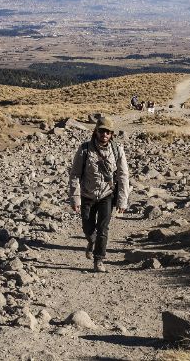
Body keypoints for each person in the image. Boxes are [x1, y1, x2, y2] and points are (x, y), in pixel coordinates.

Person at [68, 116, 130, 272]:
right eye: (102, 131)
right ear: (96, 131)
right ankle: (91, 241)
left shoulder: (117, 150)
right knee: (88, 229)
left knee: (103, 229)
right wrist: (75, 198)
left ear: (112, 134)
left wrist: (122, 201)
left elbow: (123, 175)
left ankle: (99, 260)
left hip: (106, 195)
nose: (104, 134)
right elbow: (75, 175)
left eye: (108, 132)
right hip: (87, 195)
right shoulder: (85, 149)